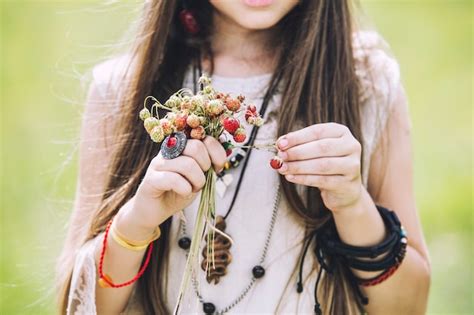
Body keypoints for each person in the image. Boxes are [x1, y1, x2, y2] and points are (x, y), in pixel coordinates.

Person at [55, 0, 431, 314]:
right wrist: (135, 225)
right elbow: (77, 303)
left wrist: (353, 206)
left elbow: (408, 304)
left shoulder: (365, 85)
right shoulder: (122, 89)